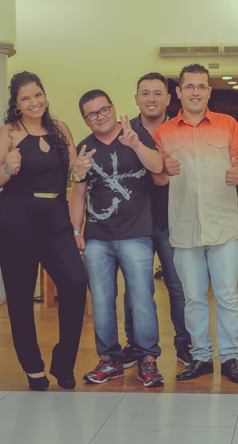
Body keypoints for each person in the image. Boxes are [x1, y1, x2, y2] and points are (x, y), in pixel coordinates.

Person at [0, 71, 89, 391]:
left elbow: (73, 174)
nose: (34, 102)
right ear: (16, 104)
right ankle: (32, 367)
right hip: (16, 217)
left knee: (76, 282)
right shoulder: (8, 133)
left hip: (55, 216)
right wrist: (7, 168)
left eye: (38, 94)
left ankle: (64, 362)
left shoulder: (61, 129)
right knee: (20, 297)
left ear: (45, 96)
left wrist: (79, 171)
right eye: (26, 98)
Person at [152, 63, 238, 383]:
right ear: (179, 92)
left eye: (201, 86)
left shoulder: (228, 124)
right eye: (189, 86)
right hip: (184, 227)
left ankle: (230, 357)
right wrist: (164, 170)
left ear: (209, 91)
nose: (195, 92)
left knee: (227, 296)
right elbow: (156, 177)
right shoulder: (163, 133)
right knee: (193, 298)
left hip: (223, 226)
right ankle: (200, 357)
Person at [70, 89, 165, 387]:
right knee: (101, 300)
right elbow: (78, 193)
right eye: (92, 114)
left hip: (136, 234)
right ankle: (110, 359)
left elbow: (158, 167)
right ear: (85, 120)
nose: (99, 117)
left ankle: (148, 359)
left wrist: (135, 145)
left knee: (141, 298)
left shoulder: (135, 134)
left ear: (112, 108)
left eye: (103, 110)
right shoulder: (85, 148)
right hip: (97, 237)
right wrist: (76, 230)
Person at [126, 72, 193, 368]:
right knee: (137, 288)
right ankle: (135, 345)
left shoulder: (180, 129)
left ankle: (184, 344)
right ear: (136, 98)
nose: (151, 99)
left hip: (172, 219)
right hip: (134, 222)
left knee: (178, 286)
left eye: (157, 93)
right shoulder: (125, 132)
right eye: (145, 93)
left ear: (168, 98)